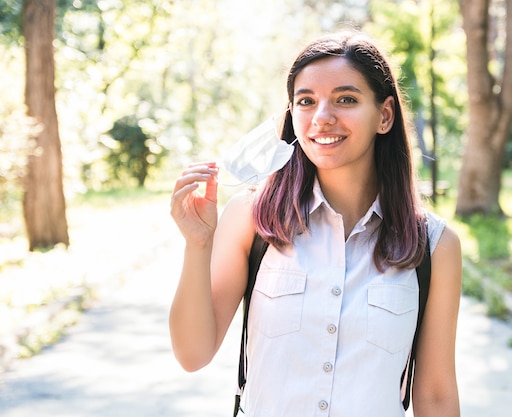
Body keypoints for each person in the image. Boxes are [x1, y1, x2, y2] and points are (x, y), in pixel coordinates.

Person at [169, 30, 462, 417]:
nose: (322, 118)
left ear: (384, 115)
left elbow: (436, 395)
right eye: (306, 101)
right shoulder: (253, 219)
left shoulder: (434, 246)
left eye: (346, 99)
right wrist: (197, 244)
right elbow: (192, 354)